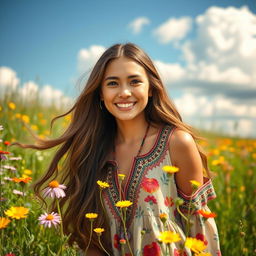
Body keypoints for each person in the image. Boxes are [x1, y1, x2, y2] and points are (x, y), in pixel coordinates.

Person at [16, 43, 221, 255]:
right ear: (100, 94)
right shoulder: (91, 149)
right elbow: (91, 239)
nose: (124, 92)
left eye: (134, 81)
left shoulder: (177, 143)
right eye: (113, 83)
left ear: (150, 88)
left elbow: (198, 227)